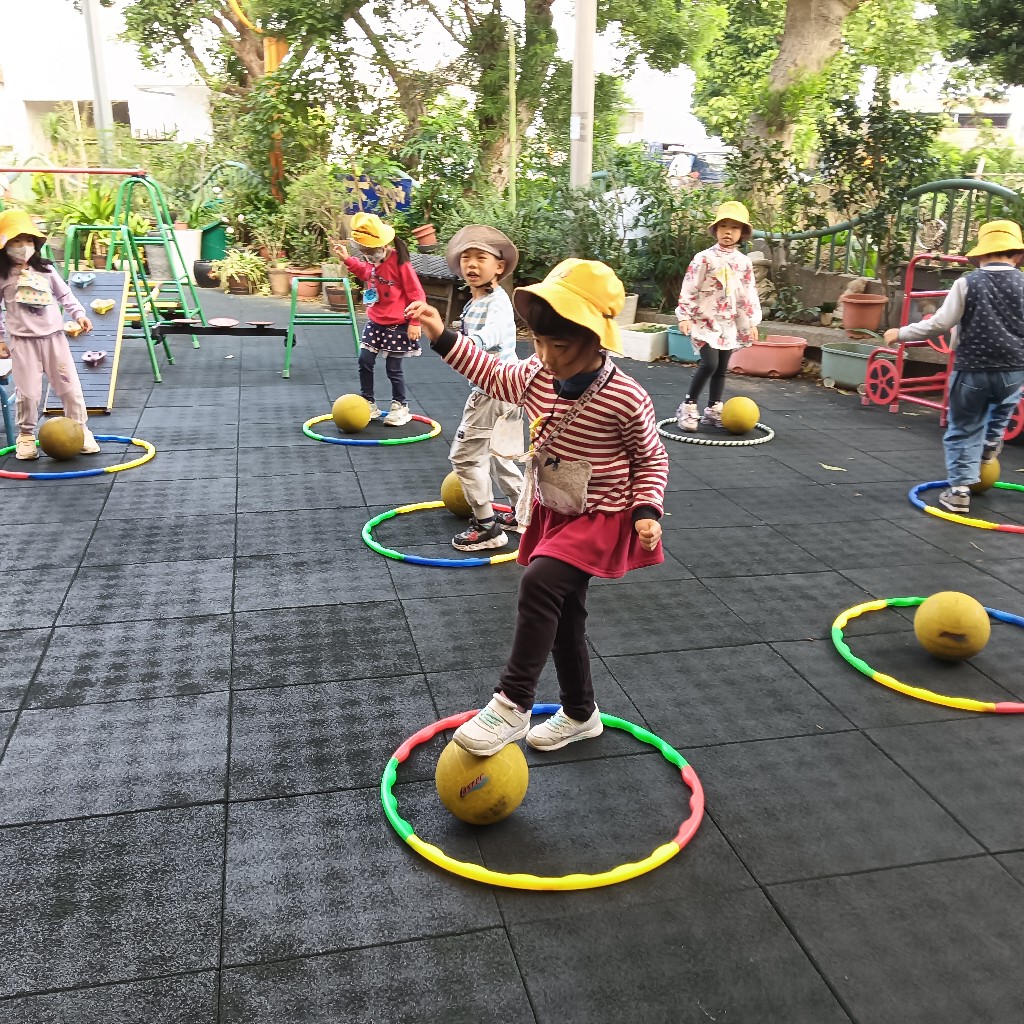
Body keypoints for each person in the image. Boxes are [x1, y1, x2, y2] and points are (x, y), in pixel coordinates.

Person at [406, 259, 668, 756]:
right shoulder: (537, 374)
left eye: (560, 346)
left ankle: (513, 701)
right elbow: (493, 373)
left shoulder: (625, 398)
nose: (546, 357)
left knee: (541, 582)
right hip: (556, 510)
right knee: (564, 615)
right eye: (539, 342)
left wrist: (646, 510)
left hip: (603, 515)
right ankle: (580, 712)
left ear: (597, 340)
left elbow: (651, 457)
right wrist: (442, 335)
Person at [884, 219, 1024, 514]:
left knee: (963, 426)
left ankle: (959, 491)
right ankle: (991, 443)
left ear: (981, 254)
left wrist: (902, 333)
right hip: (1014, 369)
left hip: (972, 368)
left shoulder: (967, 283)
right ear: (1018, 255)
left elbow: (939, 323)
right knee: (1002, 408)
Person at [444, 225, 525, 552]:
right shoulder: (477, 301)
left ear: (499, 267)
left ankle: (487, 527)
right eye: (466, 258)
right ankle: (524, 513)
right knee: (500, 454)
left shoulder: (498, 302)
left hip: (493, 389)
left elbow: (492, 334)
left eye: (481, 258)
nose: (472, 264)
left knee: (464, 457)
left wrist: (461, 344)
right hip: (508, 388)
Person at [0, 209, 100, 460]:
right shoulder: (3, 276)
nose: (23, 247)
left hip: (54, 338)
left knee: (69, 386)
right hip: (23, 342)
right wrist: (0, 338)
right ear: (4, 245)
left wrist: (78, 313)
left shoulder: (45, 269)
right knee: (28, 393)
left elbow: (64, 294)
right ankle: (26, 435)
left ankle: (80, 429)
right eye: (16, 241)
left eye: (28, 240)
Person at [674, 201, 762, 431]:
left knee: (722, 367)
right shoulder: (704, 258)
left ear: (742, 233)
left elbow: (747, 294)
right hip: (705, 321)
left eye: (734, 227)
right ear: (715, 230)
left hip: (728, 323)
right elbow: (690, 286)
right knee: (709, 364)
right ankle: (688, 405)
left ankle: (713, 408)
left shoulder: (744, 262)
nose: (728, 232)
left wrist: (750, 322)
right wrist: (684, 316)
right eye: (723, 226)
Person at [332, 213, 425, 426]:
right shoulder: (372, 261)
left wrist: (415, 322)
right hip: (375, 321)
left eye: (369, 252)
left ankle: (400, 406)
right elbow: (366, 273)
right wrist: (347, 259)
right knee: (364, 360)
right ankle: (368, 402)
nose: (367, 256)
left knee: (393, 367)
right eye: (363, 251)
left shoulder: (399, 263)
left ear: (383, 246)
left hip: (397, 323)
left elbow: (416, 294)